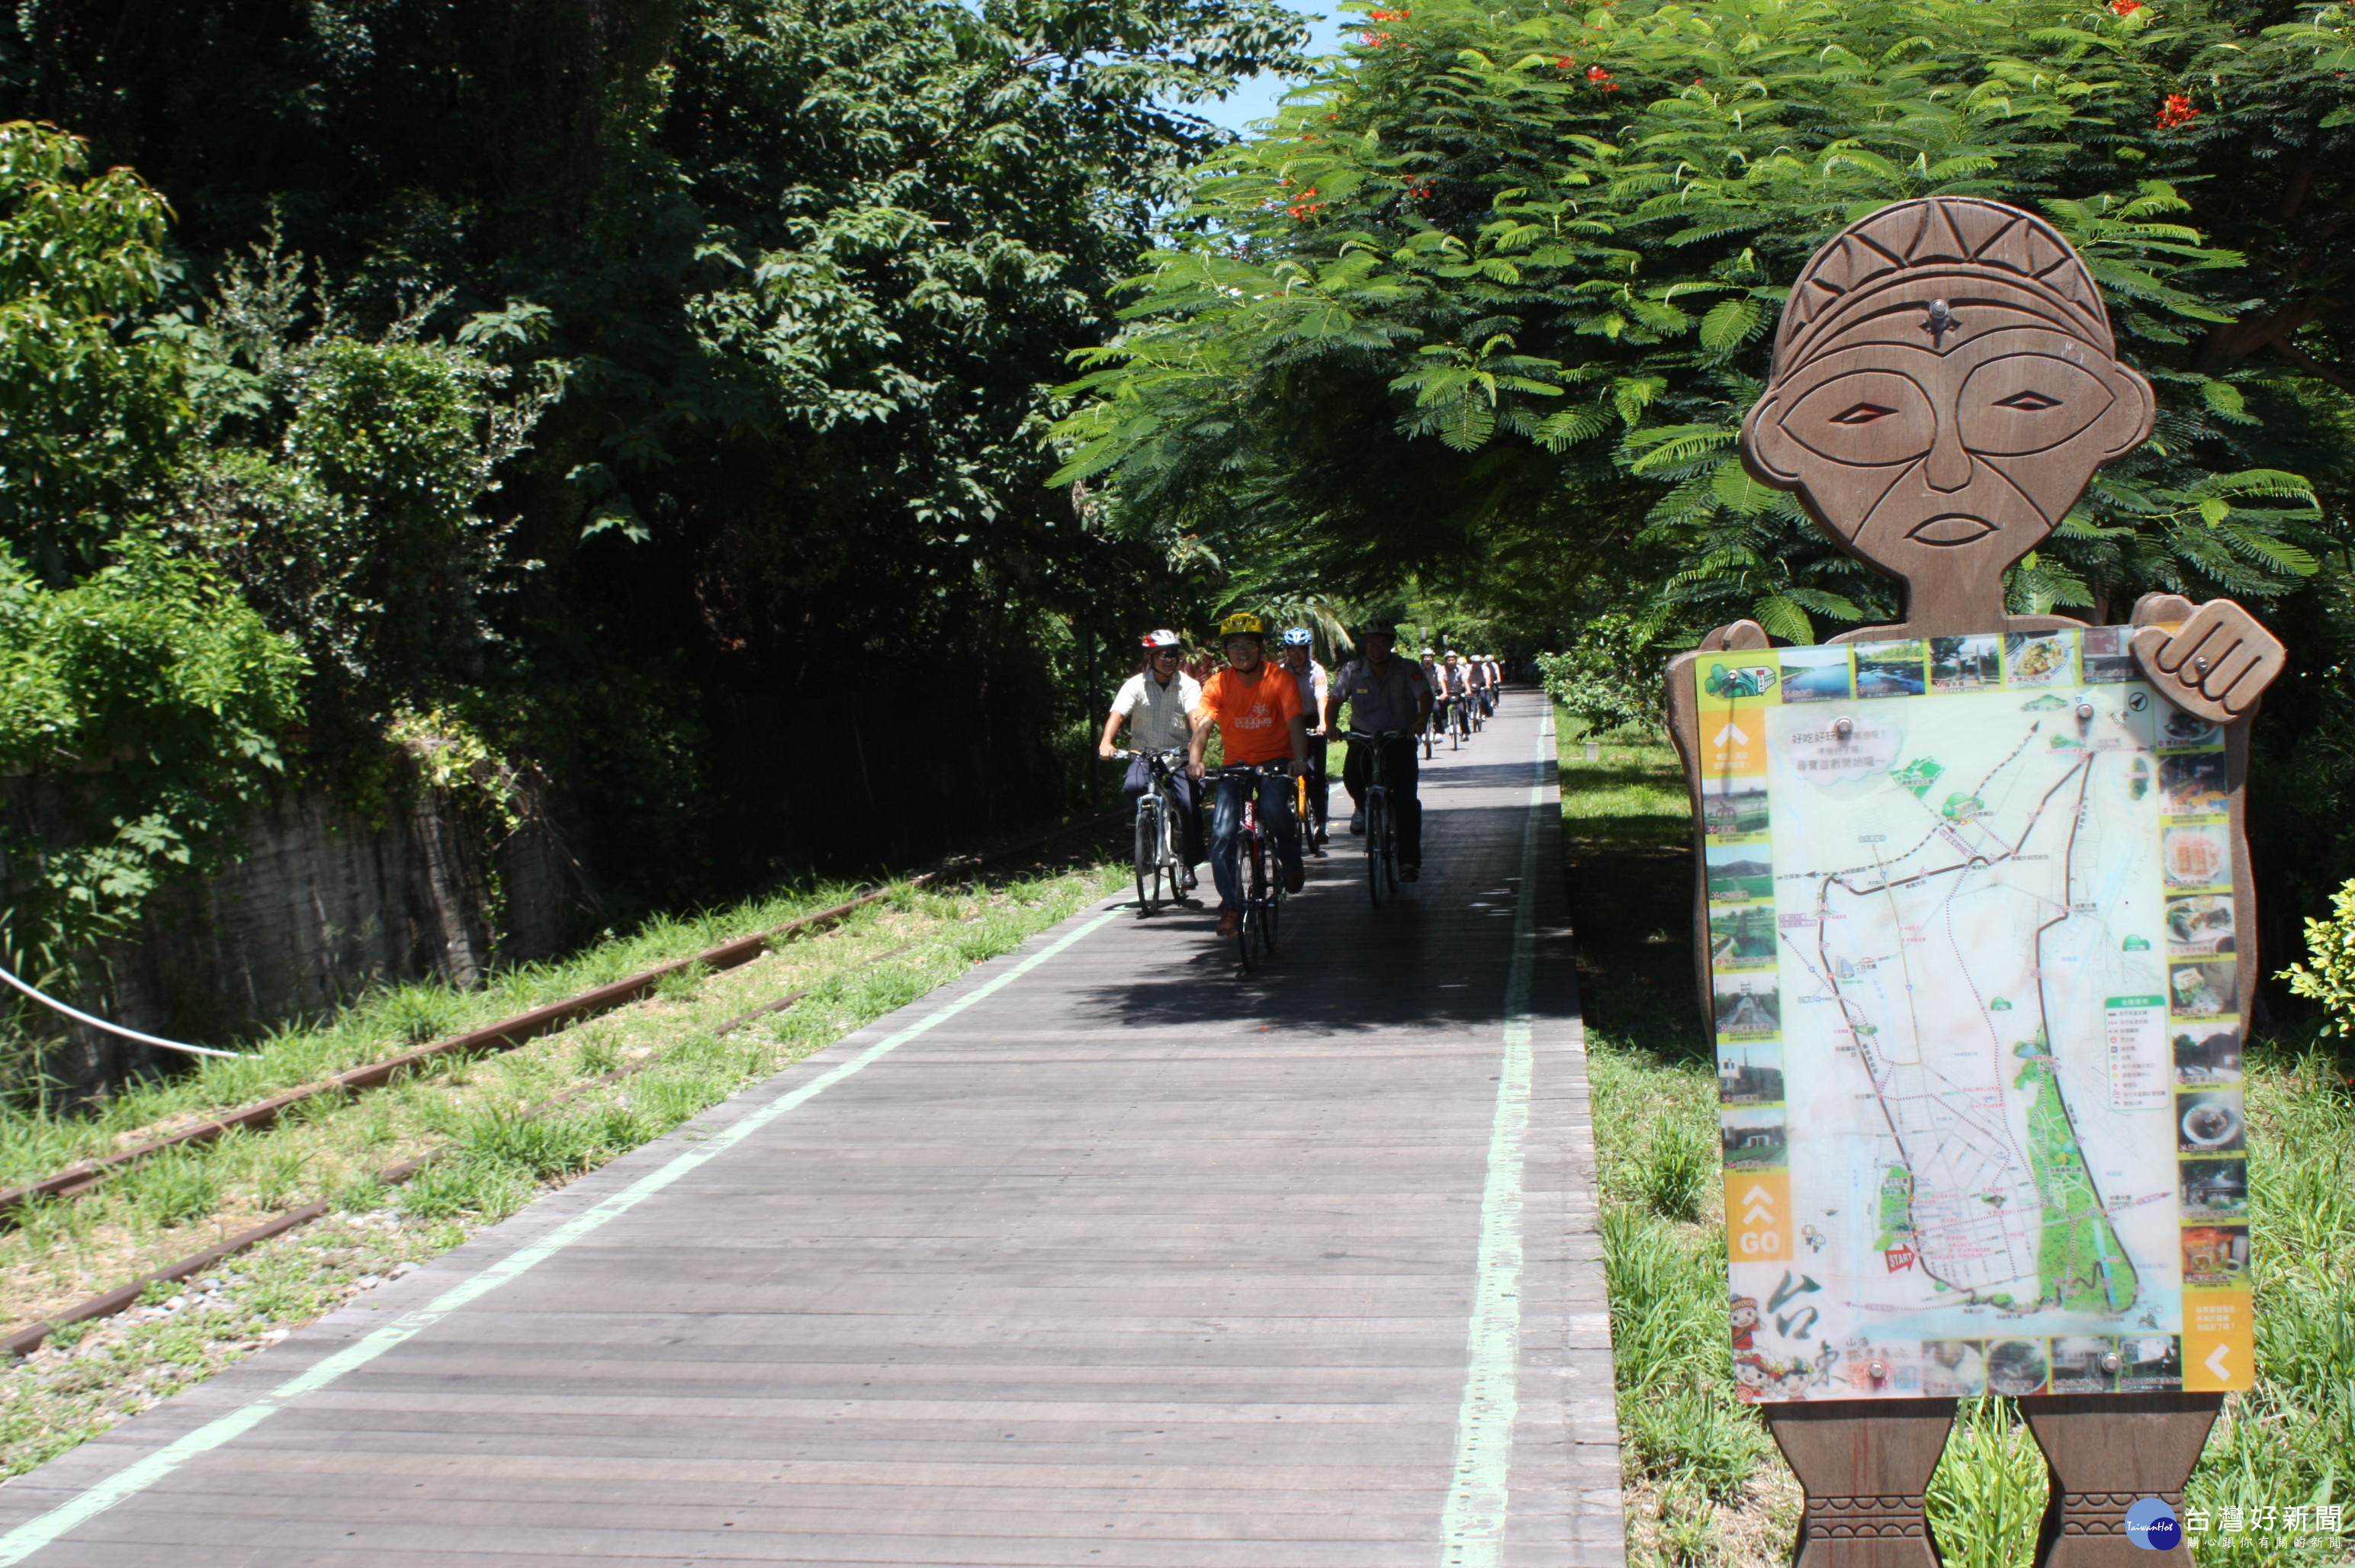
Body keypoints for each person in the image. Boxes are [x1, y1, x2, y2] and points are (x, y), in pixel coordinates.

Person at [1188, 612, 1311, 936]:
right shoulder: (1218, 682)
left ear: (1261, 648)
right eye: (1234, 645)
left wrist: (1299, 759)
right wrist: (1195, 760)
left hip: (1276, 761)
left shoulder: (1279, 678)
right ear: (1226, 651)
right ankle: (1230, 905)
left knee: (1273, 809)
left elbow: (1295, 721)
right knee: (1222, 834)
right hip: (1236, 765)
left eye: (1249, 644)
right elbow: (1203, 724)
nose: (1242, 651)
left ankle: (1290, 857)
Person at [1326, 622, 1433, 882]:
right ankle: (1364, 808)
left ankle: (1409, 862)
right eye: (1371, 643)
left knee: (1406, 800)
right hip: (1363, 737)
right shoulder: (1351, 670)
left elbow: (1425, 696)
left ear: (1391, 643)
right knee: (1352, 775)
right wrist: (1330, 726)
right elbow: (1336, 700)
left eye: (1382, 643)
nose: (1376, 648)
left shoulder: (1408, 668)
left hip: (1399, 738)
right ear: (1364, 645)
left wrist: (1419, 721)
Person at [1098, 628, 1204, 888]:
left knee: (1190, 804)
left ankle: (1190, 864)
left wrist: (1195, 752)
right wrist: (1106, 741)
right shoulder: (1135, 684)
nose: (1169, 659)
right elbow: (1118, 715)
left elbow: (1195, 717)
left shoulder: (1189, 685)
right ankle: (1151, 829)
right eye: (1162, 655)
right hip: (1144, 753)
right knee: (1133, 787)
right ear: (1150, 657)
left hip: (1178, 755)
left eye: (1173, 654)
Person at [1277, 628, 1331, 847]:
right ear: (1287, 652)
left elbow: (1321, 697)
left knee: (1316, 777)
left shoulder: (1317, 671)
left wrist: (1323, 722)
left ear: (1308, 650)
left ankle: (1320, 824)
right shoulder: (1280, 671)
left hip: (1311, 721)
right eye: (1293, 650)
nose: (1297, 655)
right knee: (1280, 773)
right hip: (1288, 722)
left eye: (1302, 650)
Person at [1418, 646, 1449, 741]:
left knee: (1436, 708)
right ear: (1422, 659)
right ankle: (1419, 732)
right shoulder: (1417, 668)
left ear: (1433, 659)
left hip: (1435, 692)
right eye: (1425, 657)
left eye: (1430, 657)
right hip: (1421, 693)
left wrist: (1445, 692)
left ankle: (1438, 732)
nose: (1428, 660)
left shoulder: (1438, 668)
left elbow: (1441, 680)